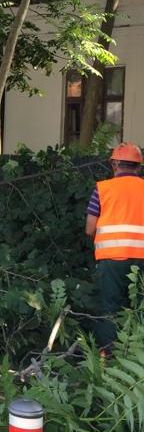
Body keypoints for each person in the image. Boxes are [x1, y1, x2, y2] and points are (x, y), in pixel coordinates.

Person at [85, 142, 144, 351]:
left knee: (109, 310)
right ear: (139, 166)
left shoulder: (102, 189)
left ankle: (108, 359)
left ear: (115, 164)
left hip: (111, 259)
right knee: (140, 308)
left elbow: (90, 228)